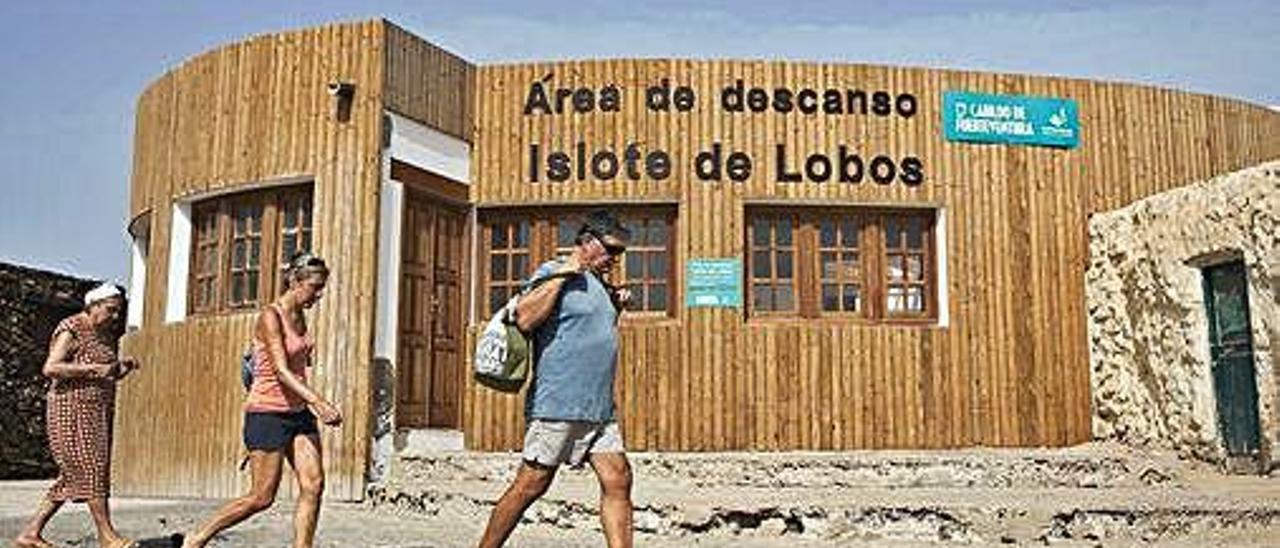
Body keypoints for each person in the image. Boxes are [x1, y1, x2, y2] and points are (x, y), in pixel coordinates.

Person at [478, 210, 634, 548]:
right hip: (558, 405)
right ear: (587, 241)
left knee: (618, 479)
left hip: (599, 410)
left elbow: (587, 331)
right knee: (531, 484)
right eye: (610, 249)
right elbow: (525, 318)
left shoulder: (599, 283)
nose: (614, 257)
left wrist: (615, 304)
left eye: (620, 252)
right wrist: (565, 274)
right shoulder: (553, 271)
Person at [180, 253, 342, 548]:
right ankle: (197, 537)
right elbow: (280, 370)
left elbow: (295, 365)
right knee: (261, 497)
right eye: (314, 287)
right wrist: (318, 402)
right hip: (268, 413)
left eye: (322, 288)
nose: (318, 295)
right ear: (294, 281)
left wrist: (307, 399)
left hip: (298, 413)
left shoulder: (301, 316)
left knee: (313, 484)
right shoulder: (270, 315)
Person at [13, 283, 141, 548]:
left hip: (95, 413)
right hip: (70, 411)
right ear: (93, 306)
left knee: (73, 476)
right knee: (91, 470)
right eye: (111, 310)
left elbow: (103, 371)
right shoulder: (72, 327)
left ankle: (30, 534)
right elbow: (51, 367)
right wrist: (95, 368)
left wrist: (120, 367)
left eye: (119, 311)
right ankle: (107, 536)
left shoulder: (105, 335)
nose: (115, 316)